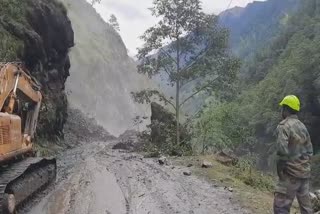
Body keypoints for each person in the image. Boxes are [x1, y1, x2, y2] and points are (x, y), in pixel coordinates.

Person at [274, 95, 314, 214]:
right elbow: (310, 150)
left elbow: (282, 152)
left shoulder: (284, 126)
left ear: (285, 109)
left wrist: (280, 171)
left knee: (281, 206)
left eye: (282, 108)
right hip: (304, 174)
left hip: (290, 175)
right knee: (306, 209)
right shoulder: (302, 126)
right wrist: (304, 167)